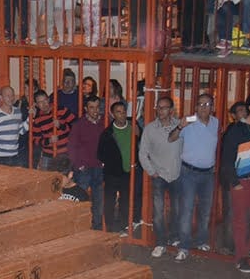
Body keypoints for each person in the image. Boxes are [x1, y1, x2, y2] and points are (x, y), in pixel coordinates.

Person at [220, 93, 250, 273]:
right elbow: (226, 159)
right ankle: (241, 257)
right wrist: (234, 182)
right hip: (241, 181)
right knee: (240, 220)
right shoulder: (235, 130)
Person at [169, 93, 219, 256]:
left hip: (208, 174)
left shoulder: (216, 123)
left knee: (205, 210)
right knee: (187, 210)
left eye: (207, 104)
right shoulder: (188, 122)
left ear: (212, 107)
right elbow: (171, 139)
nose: (203, 107)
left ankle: (201, 240)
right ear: (195, 107)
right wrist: (179, 127)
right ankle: (184, 246)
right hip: (189, 173)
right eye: (200, 104)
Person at [139, 96, 183, 259]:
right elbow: (143, 153)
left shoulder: (180, 126)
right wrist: (152, 171)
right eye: (158, 107)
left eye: (164, 107)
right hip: (159, 175)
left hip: (176, 174)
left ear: (171, 110)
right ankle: (160, 242)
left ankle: (174, 237)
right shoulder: (150, 129)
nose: (160, 110)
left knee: (176, 209)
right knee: (158, 212)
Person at [97, 100, 138, 235]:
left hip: (128, 172)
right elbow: (100, 154)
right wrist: (112, 163)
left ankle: (123, 226)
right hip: (112, 173)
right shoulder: (107, 133)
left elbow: (141, 144)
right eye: (118, 112)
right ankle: (108, 227)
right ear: (113, 114)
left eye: (124, 111)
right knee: (109, 200)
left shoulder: (134, 127)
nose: (122, 115)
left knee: (125, 201)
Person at [68, 95, 106, 230]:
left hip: (99, 168)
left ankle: (96, 229)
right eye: (92, 107)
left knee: (98, 201)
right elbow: (72, 146)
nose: (95, 111)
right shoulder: (79, 125)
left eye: (97, 107)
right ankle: (81, 228)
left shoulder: (104, 123)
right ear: (85, 109)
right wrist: (79, 165)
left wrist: (104, 162)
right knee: (81, 201)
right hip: (84, 169)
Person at [31, 89, 75, 172]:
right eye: (40, 102)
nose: (44, 104)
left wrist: (61, 126)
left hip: (65, 153)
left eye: (45, 100)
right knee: (46, 180)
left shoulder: (61, 110)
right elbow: (35, 140)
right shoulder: (37, 120)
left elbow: (76, 125)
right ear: (36, 105)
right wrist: (49, 140)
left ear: (48, 99)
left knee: (66, 179)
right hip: (48, 154)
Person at [0, 86, 27, 167]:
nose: (11, 98)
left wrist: (30, 118)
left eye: (12, 95)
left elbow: (21, 130)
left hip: (14, 156)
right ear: (1, 98)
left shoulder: (17, 112)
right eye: (7, 96)